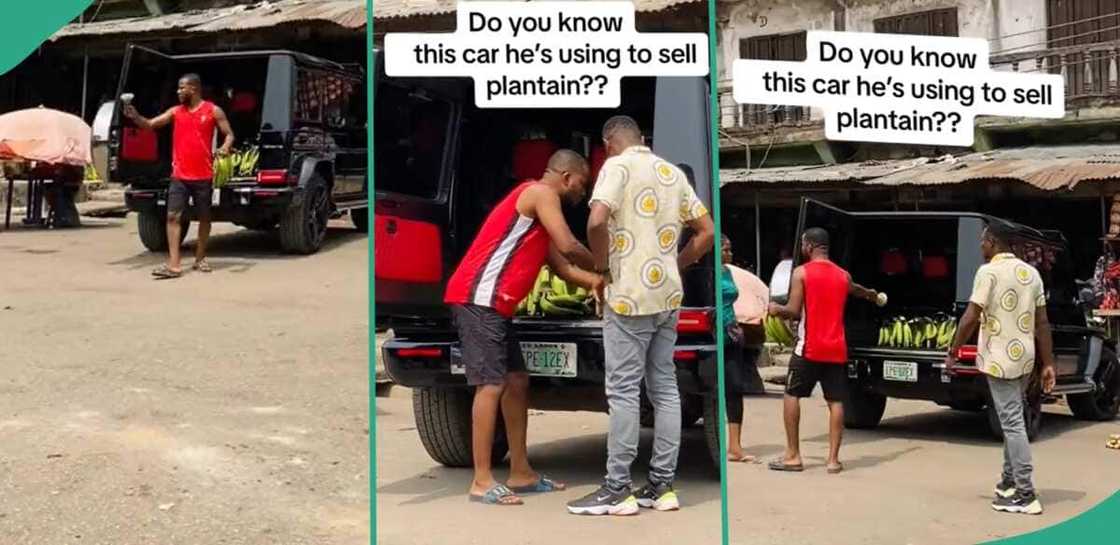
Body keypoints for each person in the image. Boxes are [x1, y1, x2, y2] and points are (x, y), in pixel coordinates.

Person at [567, 115, 714, 516]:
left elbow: (596, 220)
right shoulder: (670, 172)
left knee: (624, 391)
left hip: (629, 294)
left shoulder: (615, 167)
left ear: (609, 142)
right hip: (667, 293)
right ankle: (662, 487)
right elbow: (707, 231)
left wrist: (602, 266)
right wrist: (678, 263)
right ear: (642, 138)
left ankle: (617, 488)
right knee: (665, 388)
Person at [444, 149, 603, 506]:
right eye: (582, 183)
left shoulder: (536, 219)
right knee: (491, 384)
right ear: (565, 177)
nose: (583, 192)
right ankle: (482, 481)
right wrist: (608, 267)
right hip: (478, 298)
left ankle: (520, 472)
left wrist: (594, 281)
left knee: (516, 380)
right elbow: (570, 246)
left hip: (496, 305)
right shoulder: (539, 194)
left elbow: (564, 268)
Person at [945, 222, 1056, 515]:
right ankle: (1008, 481)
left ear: (993, 242)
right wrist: (1049, 364)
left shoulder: (989, 273)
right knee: (1014, 416)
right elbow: (1042, 323)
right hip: (1024, 359)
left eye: (982, 241)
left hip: (999, 360)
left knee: (1012, 423)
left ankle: (1025, 493)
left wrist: (954, 349)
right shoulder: (1030, 273)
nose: (980, 246)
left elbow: (971, 315)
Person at [767, 227, 881, 474]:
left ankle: (793, 456)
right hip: (836, 348)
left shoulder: (802, 273)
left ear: (808, 246)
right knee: (836, 401)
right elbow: (859, 290)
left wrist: (777, 308)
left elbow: (794, 310)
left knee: (791, 394)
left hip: (808, 348)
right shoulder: (843, 275)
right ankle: (832, 460)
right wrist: (872, 296)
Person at [124, 73, 234, 279]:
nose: (178, 92)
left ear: (194, 89)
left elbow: (229, 134)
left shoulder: (213, 110)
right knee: (173, 216)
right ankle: (174, 265)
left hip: (203, 174)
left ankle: (200, 258)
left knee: (204, 218)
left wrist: (225, 147)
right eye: (178, 88)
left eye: (182, 88)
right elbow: (150, 125)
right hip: (179, 175)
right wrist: (135, 116)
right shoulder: (175, 112)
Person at [722, 237, 769, 462]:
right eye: (725, 250)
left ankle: (735, 447)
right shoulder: (706, 274)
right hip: (714, 333)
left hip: (731, 334)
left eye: (730, 250)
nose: (729, 254)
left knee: (734, 388)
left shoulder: (728, 273)